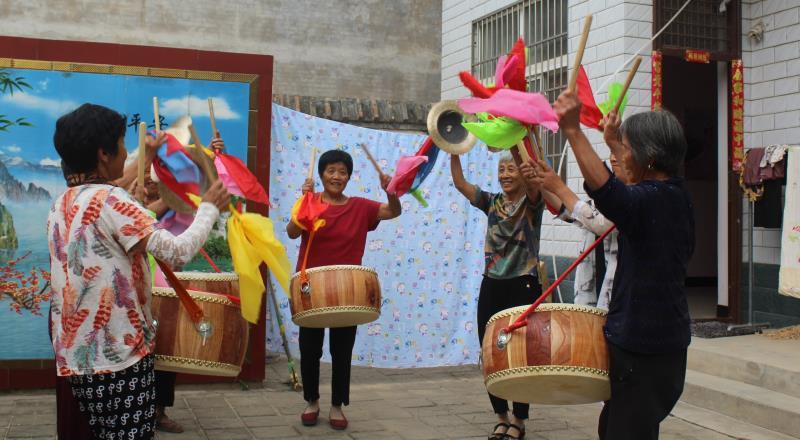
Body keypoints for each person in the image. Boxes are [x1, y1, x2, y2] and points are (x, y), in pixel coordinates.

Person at [48, 103, 230, 440]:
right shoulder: (112, 201)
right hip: (120, 360)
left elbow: (115, 184)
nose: (125, 153)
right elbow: (176, 251)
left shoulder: (63, 203)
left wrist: (144, 158)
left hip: (78, 357)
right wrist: (209, 208)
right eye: (121, 144)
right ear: (104, 153)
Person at [551, 91, 694, 439]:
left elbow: (612, 192)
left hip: (646, 351)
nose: (619, 157)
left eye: (626, 149)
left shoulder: (656, 201)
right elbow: (626, 184)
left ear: (651, 156)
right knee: (614, 426)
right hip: (654, 345)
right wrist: (614, 141)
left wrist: (573, 131)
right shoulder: (671, 194)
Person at [286, 149, 401, 430]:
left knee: (342, 350)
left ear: (348, 176)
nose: (337, 176)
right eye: (331, 171)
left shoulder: (360, 207)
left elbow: (393, 211)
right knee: (309, 348)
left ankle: (337, 405)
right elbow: (291, 231)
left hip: (348, 288)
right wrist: (303, 203)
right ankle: (311, 400)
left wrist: (391, 191)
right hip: (311, 287)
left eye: (342, 172)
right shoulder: (310, 202)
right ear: (322, 174)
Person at [450, 152, 544, 440]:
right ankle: (501, 416)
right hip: (492, 283)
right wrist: (453, 148)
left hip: (523, 284)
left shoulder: (532, 202)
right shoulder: (492, 202)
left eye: (511, 169)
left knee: (521, 355)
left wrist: (518, 145)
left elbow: (533, 183)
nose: (505, 174)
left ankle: (519, 419)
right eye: (501, 170)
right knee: (492, 353)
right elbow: (460, 183)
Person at [536, 152, 628, 310]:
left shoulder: (631, 197)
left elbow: (599, 223)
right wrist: (541, 185)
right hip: (592, 291)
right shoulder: (595, 204)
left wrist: (559, 186)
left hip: (619, 296)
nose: (613, 158)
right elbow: (567, 211)